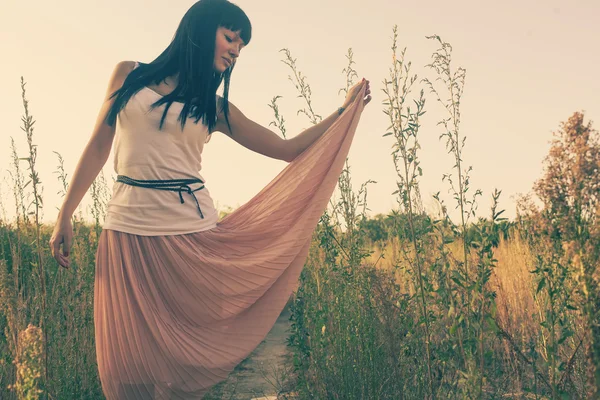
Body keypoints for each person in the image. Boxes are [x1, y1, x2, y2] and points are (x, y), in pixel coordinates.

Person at [49, 0, 371, 398]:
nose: (236, 50)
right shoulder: (127, 75)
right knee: (125, 365)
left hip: (189, 239)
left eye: (241, 45)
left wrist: (343, 110)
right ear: (200, 30)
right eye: (231, 37)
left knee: (174, 366)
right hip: (125, 234)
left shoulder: (214, 107)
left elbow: (287, 149)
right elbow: (99, 143)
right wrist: (66, 212)